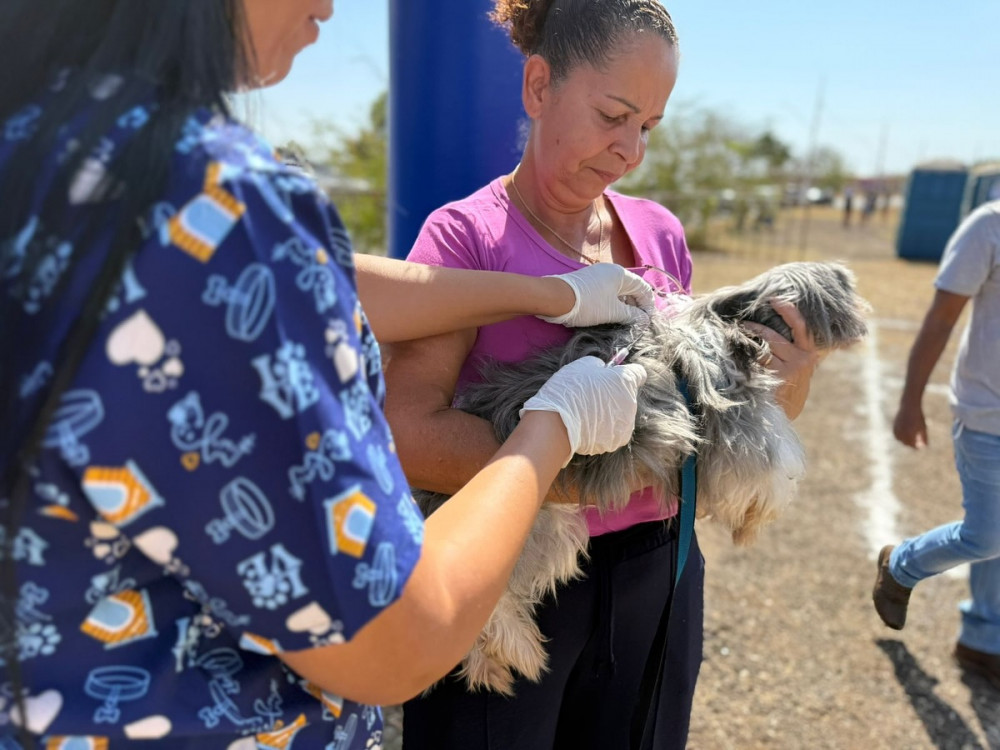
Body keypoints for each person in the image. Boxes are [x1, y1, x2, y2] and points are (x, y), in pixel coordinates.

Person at [0, 2, 655, 747]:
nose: (332, 5)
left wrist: (549, 295)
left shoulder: (48, 155)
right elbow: (395, 632)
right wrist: (552, 429)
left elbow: (322, 280)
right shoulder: (214, 201)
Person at [384, 1, 823, 747]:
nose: (630, 150)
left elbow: (700, 421)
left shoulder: (659, 233)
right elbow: (408, 436)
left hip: (659, 569)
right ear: (539, 86)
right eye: (613, 115)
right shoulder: (465, 239)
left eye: (648, 125)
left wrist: (785, 380)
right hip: (509, 582)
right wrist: (595, 469)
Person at [873, 200, 1000, 690]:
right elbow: (942, 318)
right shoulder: (989, 226)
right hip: (987, 413)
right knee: (987, 535)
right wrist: (911, 401)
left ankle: (983, 639)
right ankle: (901, 565)